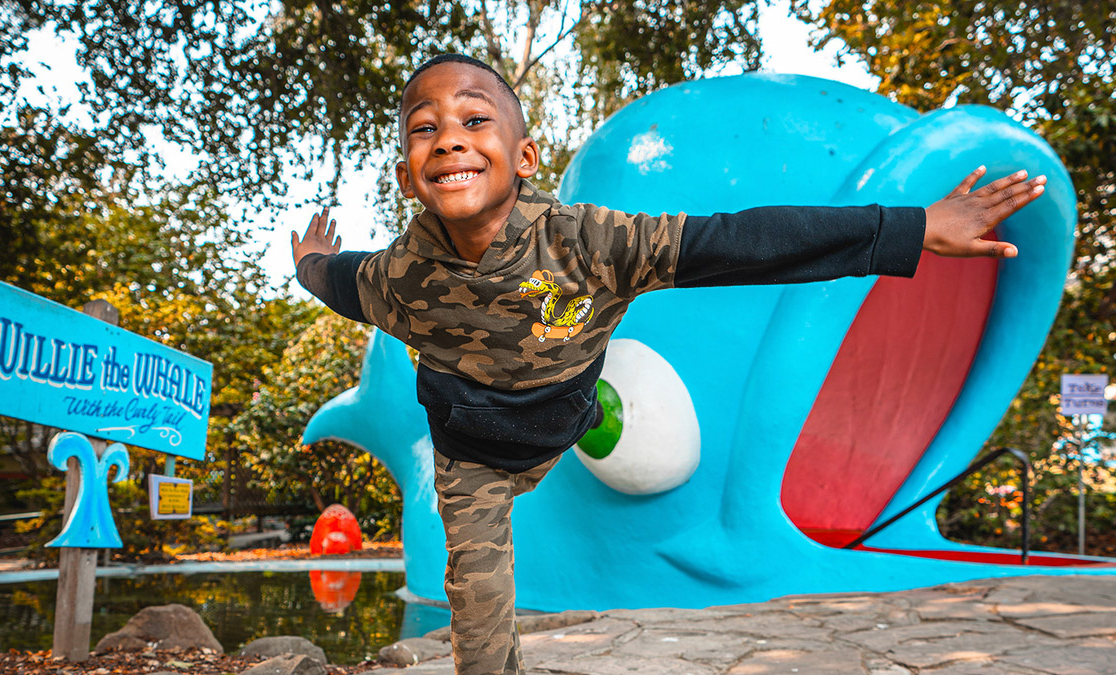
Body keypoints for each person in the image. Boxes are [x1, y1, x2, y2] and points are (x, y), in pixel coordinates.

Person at [290, 53, 1045, 675]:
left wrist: (911, 229)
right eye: (426, 128)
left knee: (626, 405)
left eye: (475, 119)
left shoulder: (587, 242)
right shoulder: (397, 276)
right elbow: (334, 281)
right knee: (480, 615)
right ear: (406, 172)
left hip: (571, 410)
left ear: (523, 158)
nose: (450, 138)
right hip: (476, 460)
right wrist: (310, 262)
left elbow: (744, 242)